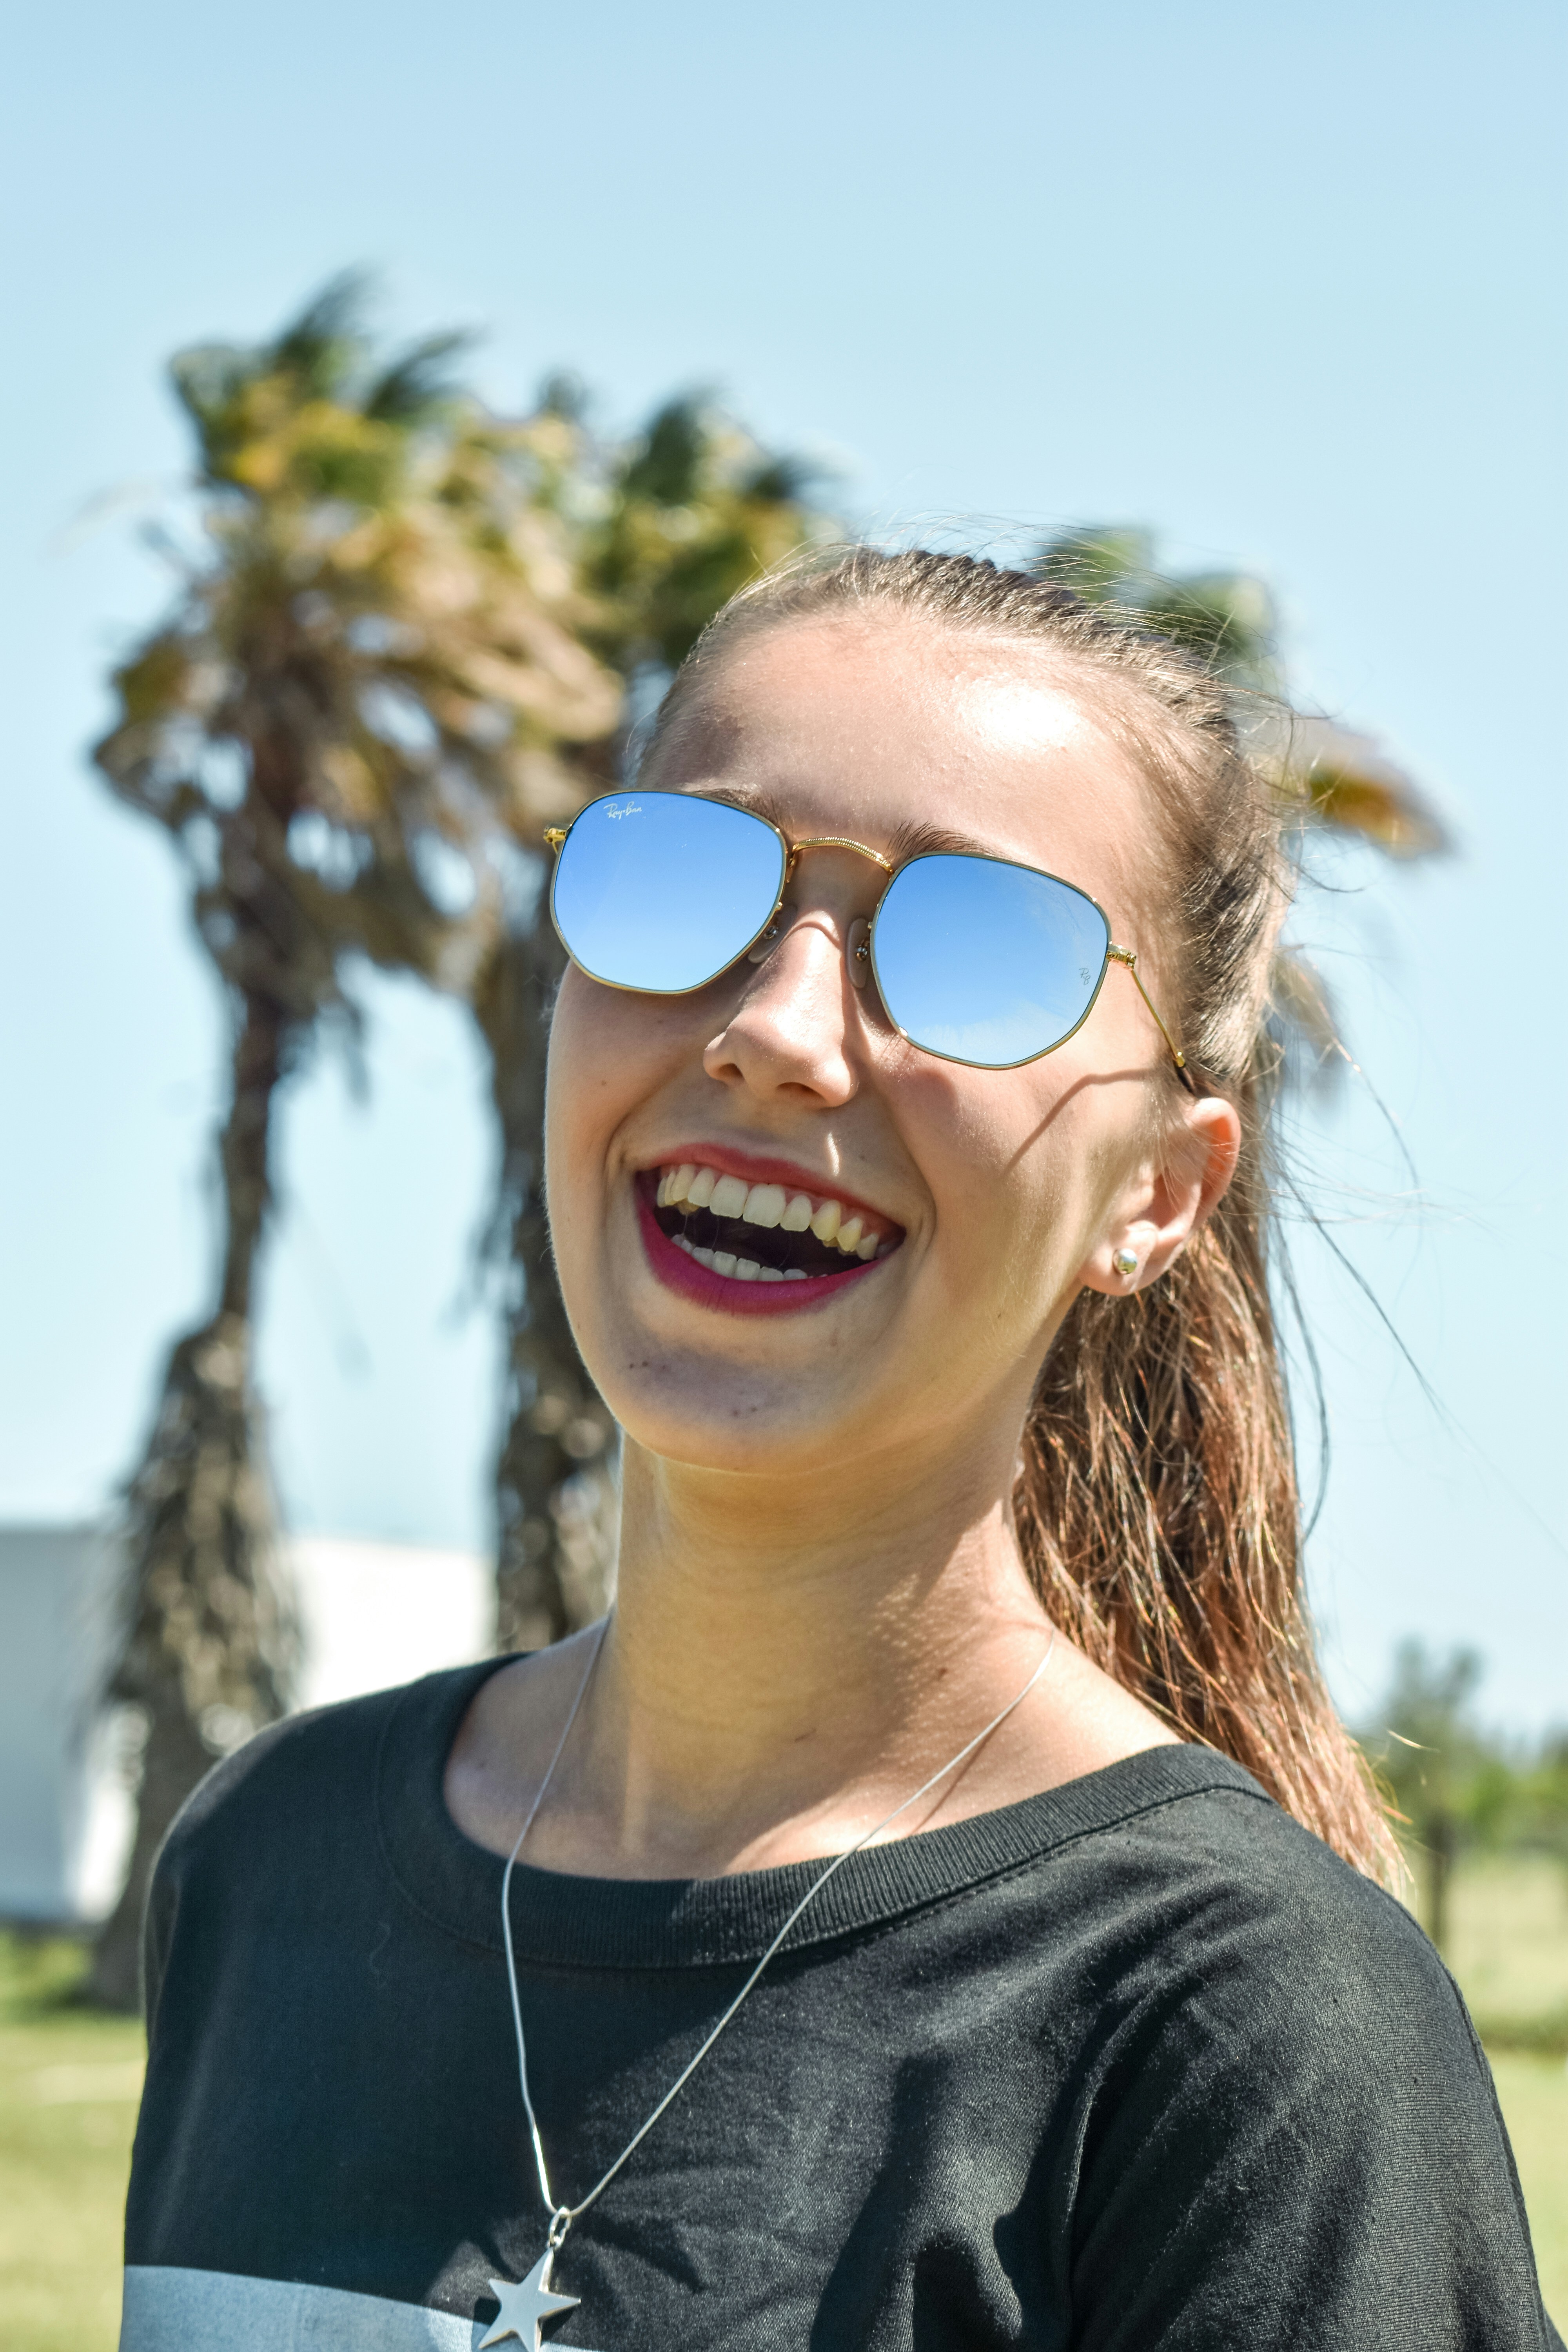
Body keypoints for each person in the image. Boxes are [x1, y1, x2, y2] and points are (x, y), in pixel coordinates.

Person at [119, 549, 1559, 2351]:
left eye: (979, 952)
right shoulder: (269, 1862)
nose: (773, 1032)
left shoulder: (1241, 2023)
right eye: (684, 882)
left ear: (1157, 1192)